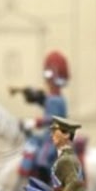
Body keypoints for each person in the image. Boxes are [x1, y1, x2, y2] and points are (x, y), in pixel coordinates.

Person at [14, 51, 70, 180]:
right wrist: (34, 96)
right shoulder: (52, 97)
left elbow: (52, 118)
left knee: (42, 159)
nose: (47, 80)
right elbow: (45, 103)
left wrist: (34, 122)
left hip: (55, 137)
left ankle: (46, 186)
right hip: (48, 135)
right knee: (31, 144)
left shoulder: (57, 99)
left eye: (50, 75)